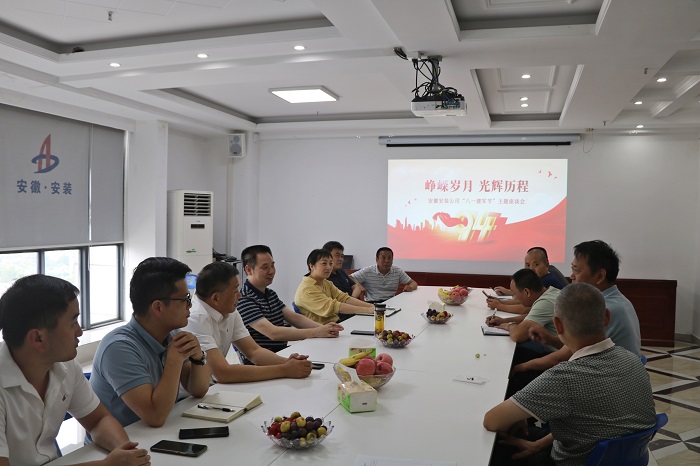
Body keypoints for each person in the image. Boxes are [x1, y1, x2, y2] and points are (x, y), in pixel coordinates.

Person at [483, 283, 656, 465]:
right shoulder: (633, 359)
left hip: (573, 461)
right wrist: (537, 443)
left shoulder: (564, 377)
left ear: (557, 325)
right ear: (606, 317)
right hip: (622, 459)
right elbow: (598, 422)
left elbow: (492, 421)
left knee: (499, 444)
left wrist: (519, 411)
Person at [0, 275, 150, 466]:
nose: (79, 331)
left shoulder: (65, 366)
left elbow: (98, 420)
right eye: (73, 323)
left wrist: (124, 449)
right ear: (38, 338)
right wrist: (107, 465)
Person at [90, 257, 210, 428]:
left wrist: (198, 358)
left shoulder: (172, 334)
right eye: (185, 299)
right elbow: (155, 417)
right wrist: (173, 362)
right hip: (124, 440)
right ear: (158, 307)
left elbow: (198, 390)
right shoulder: (118, 348)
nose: (190, 305)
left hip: (156, 434)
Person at [513, 240, 642, 378]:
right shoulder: (619, 300)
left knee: (521, 369)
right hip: (616, 372)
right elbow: (576, 346)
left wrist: (521, 367)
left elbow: (561, 357)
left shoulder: (600, 309)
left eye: (576, 270)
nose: (571, 276)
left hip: (609, 380)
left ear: (600, 276)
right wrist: (549, 339)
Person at [183, 262, 315, 382]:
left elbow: (254, 351)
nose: (239, 295)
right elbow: (222, 373)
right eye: (235, 291)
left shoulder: (229, 310)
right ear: (216, 298)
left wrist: (287, 362)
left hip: (210, 386)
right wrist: (284, 370)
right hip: (189, 395)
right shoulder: (196, 318)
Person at [237, 245, 344, 357]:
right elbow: (273, 333)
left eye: (272, 266)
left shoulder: (270, 294)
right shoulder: (244, 299)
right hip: (263, 360)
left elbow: (295, 318)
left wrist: (323, 328)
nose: (271, 271)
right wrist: (316, 332)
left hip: (282, 353)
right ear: (248, 270)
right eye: (265, 267)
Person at [295, 249, 374, 324]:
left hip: (336, 323)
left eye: (330, 263)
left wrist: (371, 306)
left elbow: (344, 298)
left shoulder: (325, 282)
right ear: (312, 266)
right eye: (324, 263)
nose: (329, 267)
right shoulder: (307, 289)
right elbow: (334, 307)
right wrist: (368, 310)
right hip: (321, 329)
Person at [485, 268, 560, 348]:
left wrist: (509, 326)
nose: (515, 297)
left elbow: (517, 335)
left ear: (527, 292)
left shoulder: (545, 303)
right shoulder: (551, 292)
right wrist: (504, 321)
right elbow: (530, 317)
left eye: (515, 293)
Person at [488, 247, 566, 314]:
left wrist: (499, 306)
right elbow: (523, 300)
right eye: (527, 265)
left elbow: (525, 308)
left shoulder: (547, 281)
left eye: (536, 264)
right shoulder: (542, 277)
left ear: (546, 265)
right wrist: (500, 301)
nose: (531, 269)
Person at [350, 247, 418, 302]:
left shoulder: (397, 271)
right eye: (383, 258)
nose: (387, 261)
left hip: (391, 303)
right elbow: (349, 277)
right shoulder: (367, 271)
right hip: (372, 303)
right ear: (377, 260)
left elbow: (413, 283)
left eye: (389, 258)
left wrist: (411, 287)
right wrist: (358, 285)